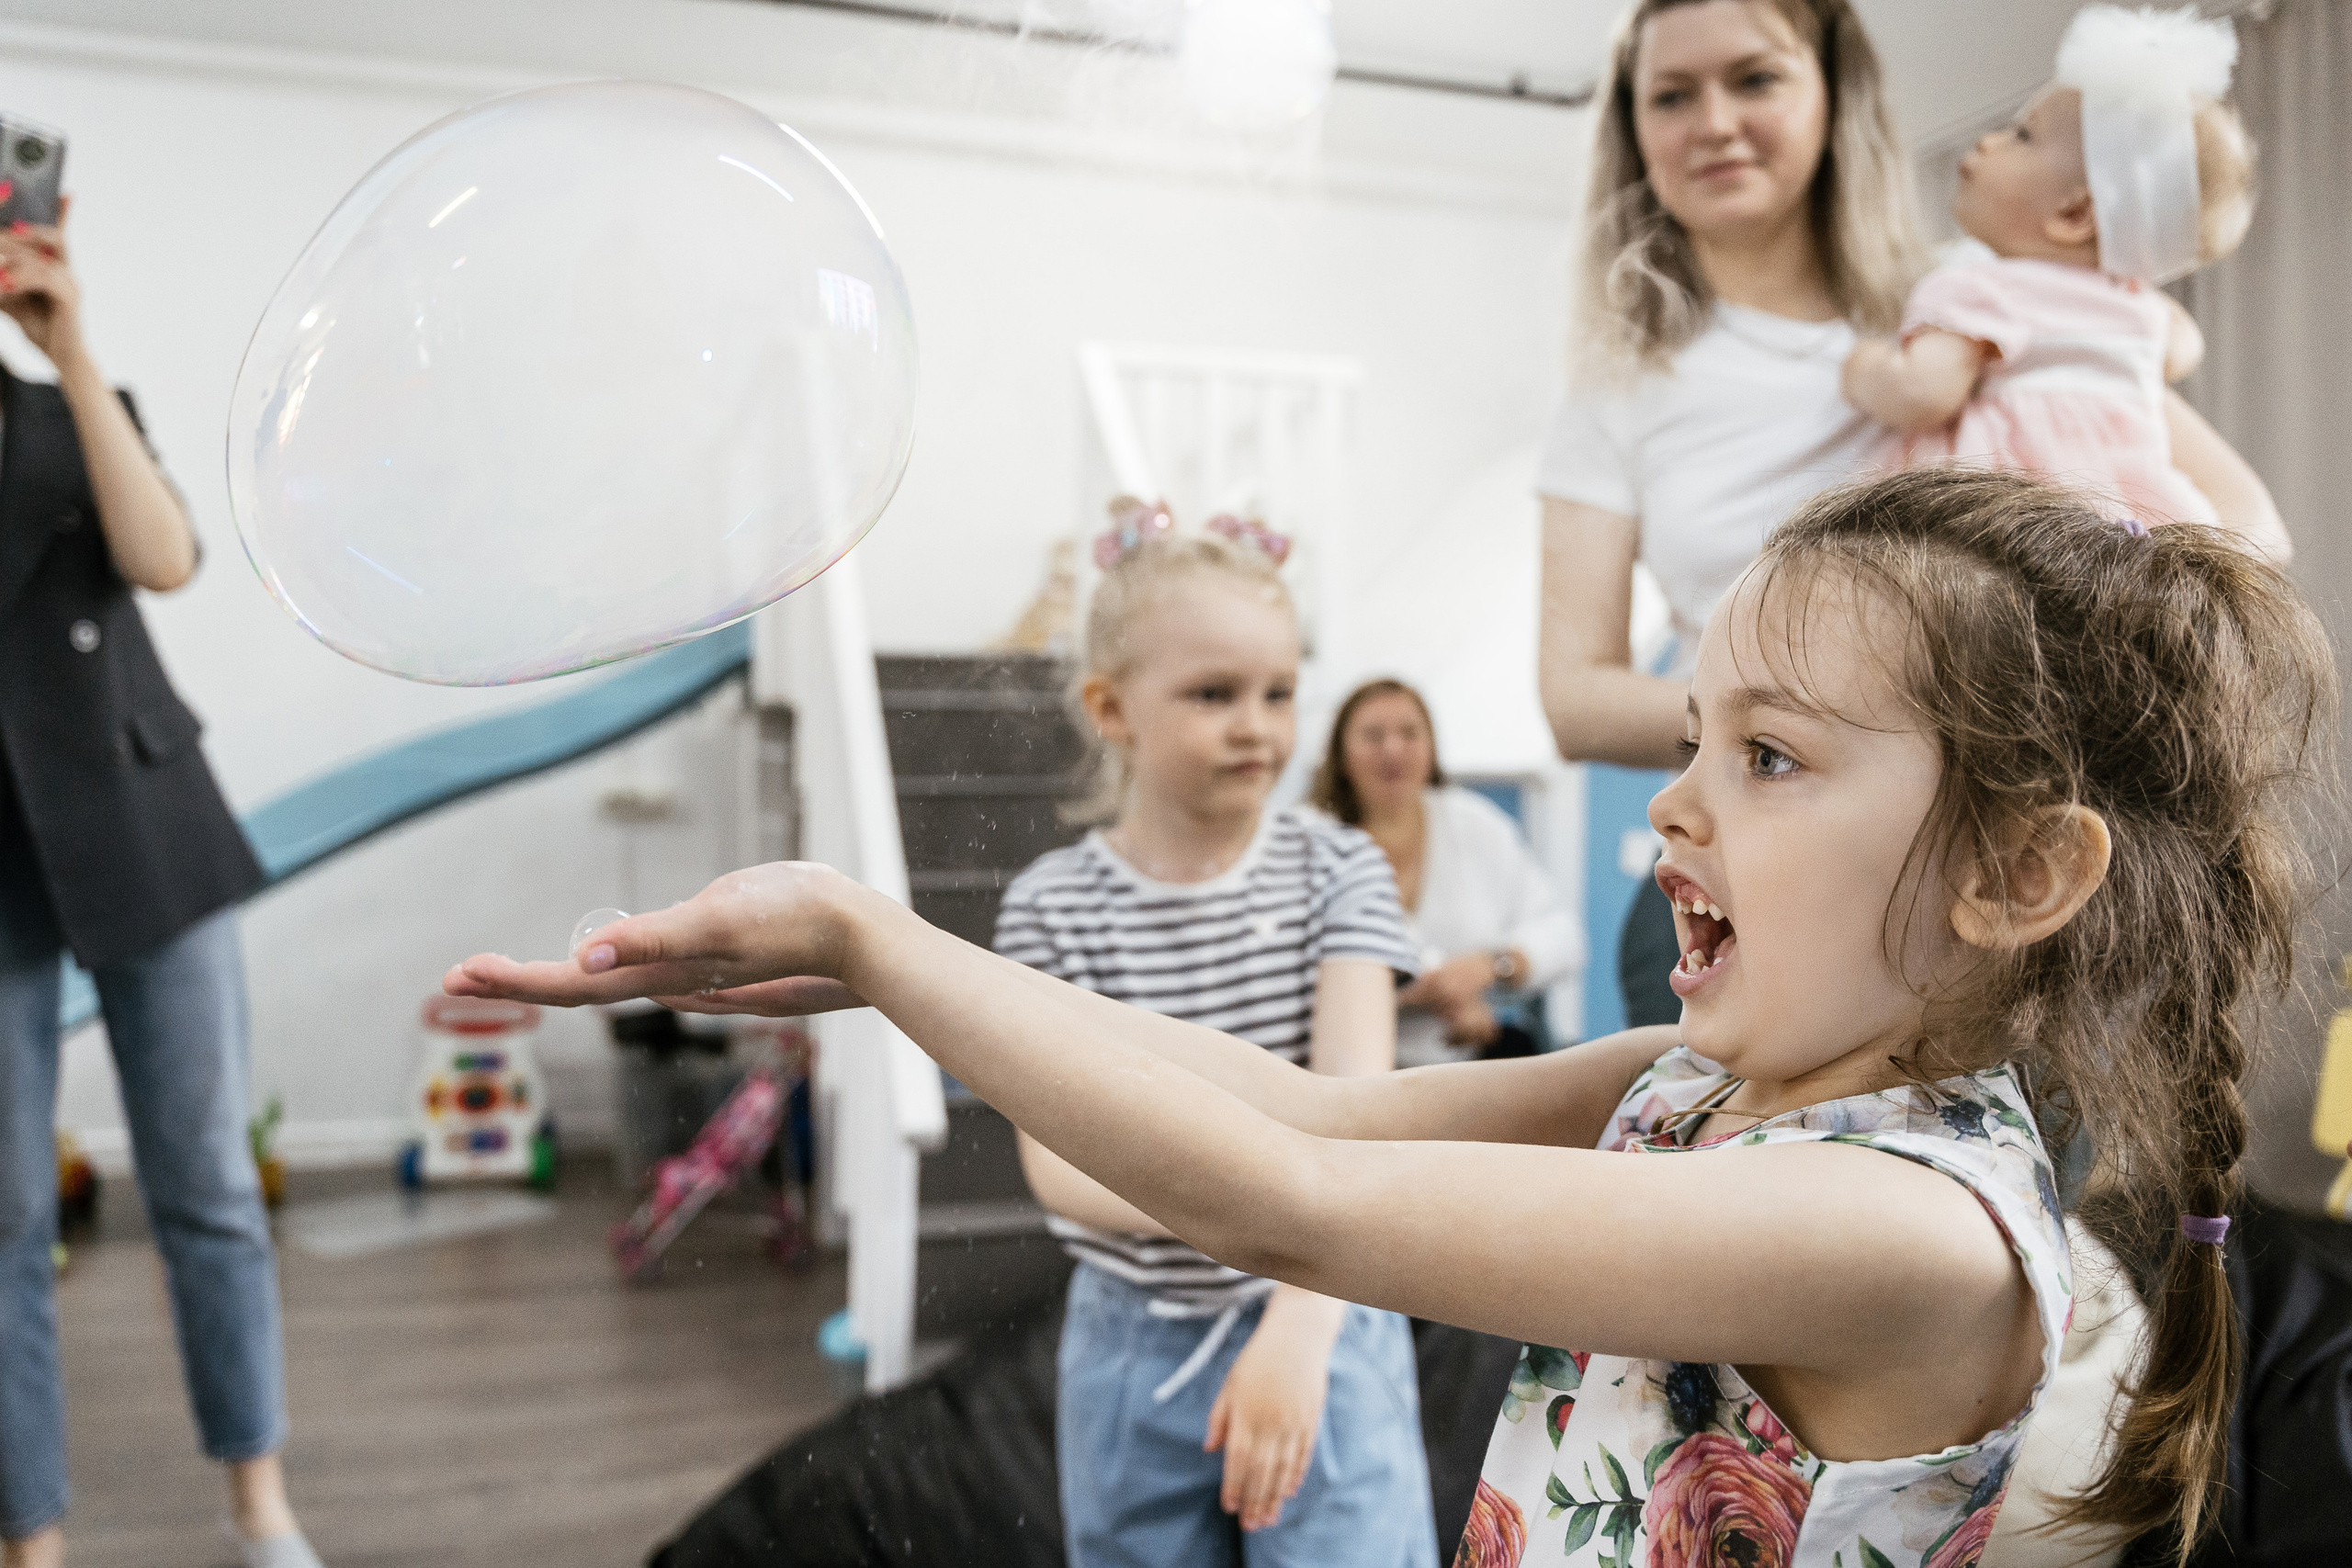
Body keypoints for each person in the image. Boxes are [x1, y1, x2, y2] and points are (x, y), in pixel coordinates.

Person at [448, 467, 2329, 1564]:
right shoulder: (1710, 1086)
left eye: (1765, 756)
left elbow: (1294, 1206)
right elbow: (1297, 1108)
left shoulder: (1894, 1226)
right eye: (1686, 737)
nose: (1671, 803)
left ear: (2017, 876)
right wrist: (915, 979)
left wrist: (877, 943)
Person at [1536, 0, 2285, 1031]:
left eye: (1753, 79)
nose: (1713, 121)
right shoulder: (1619, 386)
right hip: (1727, 896)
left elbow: (2235, 529)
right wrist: (1793, 738)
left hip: (1973, 892)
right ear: (1634, 131)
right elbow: (1573, 697)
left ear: (1831, 98)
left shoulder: (1975, 300)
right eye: (1671, 95)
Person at [991, 524, 1438, 1566]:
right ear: (1112, 710)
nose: (1257, 728)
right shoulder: (1054, 910)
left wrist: (1295, 1328)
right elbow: (1058, 1164)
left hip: (1324, 1314)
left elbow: (1357, 1128)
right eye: (1212, 694)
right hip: (1131, 1342)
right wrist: (1256, 1195)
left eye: (1278, 694)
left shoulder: (1339, 874)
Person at [0, 205, 323, 1568]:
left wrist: (72, 352)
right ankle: (34, 1539)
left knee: (206, 1185)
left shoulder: (83, 407)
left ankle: (258, 1503)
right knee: (4, 1216)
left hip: (144, 816)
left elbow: (166, 559)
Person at [1845, 6, 2289, 558]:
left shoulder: (1978, 285)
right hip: (2126, 516)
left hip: (2007, 515)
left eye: (2021, 136)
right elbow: (2180, 348)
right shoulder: (2136, 306)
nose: (1988, 141)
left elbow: (1926, 390)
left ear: (2075, 214)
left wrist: (1862, 368)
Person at [1308, 680, 1578, 1067]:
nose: (1393, 749)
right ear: (1340, 753)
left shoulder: (1476, 825)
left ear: (1432, 747)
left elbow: (1563, 936)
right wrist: (1413, 996)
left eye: (1409, 732)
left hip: (1470, 1071)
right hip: (1346, 1076)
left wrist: (1491, 966)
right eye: (1373, 735)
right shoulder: (1308, 842)